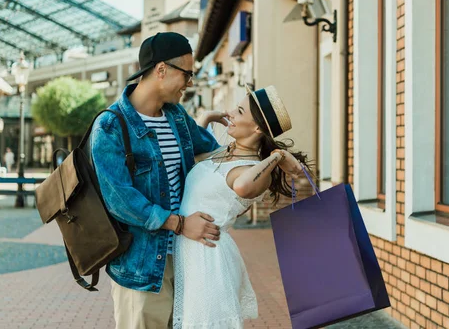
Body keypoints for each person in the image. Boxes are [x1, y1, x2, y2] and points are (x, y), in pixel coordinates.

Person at [90, 32, 228, 328]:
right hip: (142, 266)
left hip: (185, 258)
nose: (190, 83)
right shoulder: (111, 125)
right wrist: (179, 223)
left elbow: (214, 152)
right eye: (187, 74)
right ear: (161, 70)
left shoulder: (177, 116)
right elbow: (121, 201)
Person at [173, 85, 313, 329]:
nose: (230, 113)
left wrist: (276, 157)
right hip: (189, 254)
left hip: (208, 260)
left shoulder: (255, 171)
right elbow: (190, 146)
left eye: (238, 111)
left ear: (257, 128)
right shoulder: (220, 152)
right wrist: (207, 117)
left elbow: (242, 187)